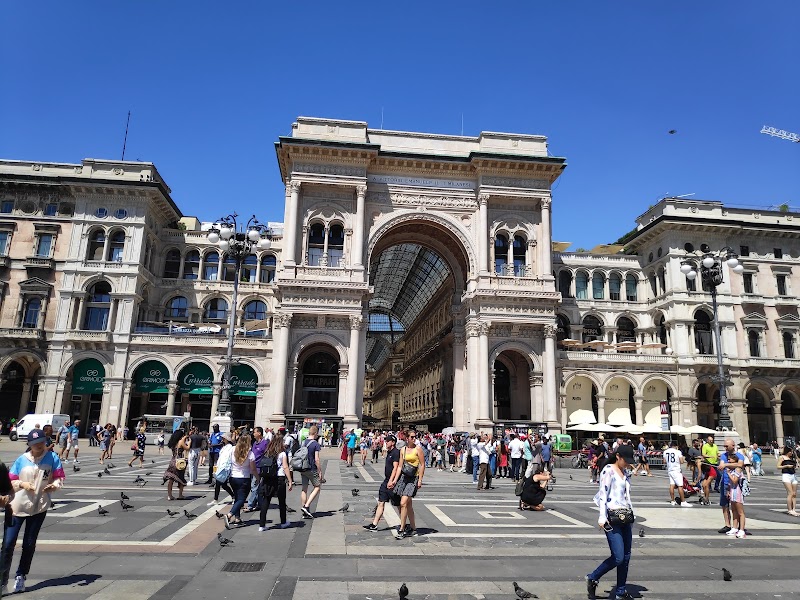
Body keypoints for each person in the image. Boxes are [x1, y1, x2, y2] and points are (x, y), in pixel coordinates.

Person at [2, 429, 65, 594]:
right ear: (29, 444)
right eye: (35, 443)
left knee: (29, 543)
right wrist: (22, 484)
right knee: (8, 544)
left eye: (42, 442)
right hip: (16, 506)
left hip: (39, 506)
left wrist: (54, 486)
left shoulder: (53, 458)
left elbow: (59, 477)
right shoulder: (22, 460)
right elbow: (11, 480)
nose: (39, 445)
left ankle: (21, 576)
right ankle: (2, 581)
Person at [586, 444, 636, 600]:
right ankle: (593, 577)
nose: (627, 463)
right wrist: (602, 516)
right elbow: (603, 493)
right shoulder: (608, 470)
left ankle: (620, 591)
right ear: (618, 456)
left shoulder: (625, 472)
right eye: (625, 460)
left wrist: (631, 513)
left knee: (626, 556)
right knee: (618, 556)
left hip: (625, 516)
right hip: (611, 517)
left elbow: (626, 495)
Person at [390, 430, 425, 539]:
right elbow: (400, 466)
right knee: (408, 505)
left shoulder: (418, 449)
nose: (414, 439)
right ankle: (413, 528)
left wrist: (420, 479)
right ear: (407, 438)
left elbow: (422, 465)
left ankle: (402, 528)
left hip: (413, 478)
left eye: (415, 437)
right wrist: (395, 480)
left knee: (403, 502)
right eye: (412, 437)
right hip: (404, 478)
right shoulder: (403, 450)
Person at [257, 433, 293, 531]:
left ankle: (262, 525)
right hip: (279, 478)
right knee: (281, 501)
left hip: (268, 478)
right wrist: (290, 480)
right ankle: (283, 522)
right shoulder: (282, 453)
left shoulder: (267, 452)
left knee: (266, 500)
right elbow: (285, 467)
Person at [224, 434, 256, 529]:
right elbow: (253, 469)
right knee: (242, 499)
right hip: (244, 478)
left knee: (237, 498)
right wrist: (257, 478)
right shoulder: (250, 453)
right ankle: (229, 515)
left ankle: (237, 518)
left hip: (233, 477)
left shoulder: (233, 449)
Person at [716, 438, 744, 535]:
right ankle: (728, 525)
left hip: (736, 484)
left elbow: (740, 464)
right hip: (725, 482)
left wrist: (727, 465)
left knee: (736, 506)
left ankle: (738, 526)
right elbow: (722, 464)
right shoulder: (724, 455)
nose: (725, 448)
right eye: (724, 446)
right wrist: (725, 465)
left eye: (727, 446)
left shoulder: (739, 455)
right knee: (724, 504)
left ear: (733, 445)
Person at [299, 425, 324, 519]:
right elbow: (317, 459)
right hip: (311, 468)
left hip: (303, 468)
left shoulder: (303, 442)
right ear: (316, 433)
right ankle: (306, 506)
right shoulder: (315, 444)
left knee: (304, 489)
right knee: (317, 487)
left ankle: (305, 511)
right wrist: (320, 471)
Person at [244, 427, 268, 513]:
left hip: (259, 468)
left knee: (254, 486)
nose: (253, 434)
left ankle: (250, 505)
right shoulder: (255, 443)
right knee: (256, 486)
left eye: (254, 432)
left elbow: (266, 455)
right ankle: (259, 504)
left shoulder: (265, 443)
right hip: (252, 467)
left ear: (259, 433)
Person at [208, 433, 235, 506]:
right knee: (222, 484)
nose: (222, 439)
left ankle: (217, 499)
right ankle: (217, 499)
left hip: (225, 468)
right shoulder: (224, 447)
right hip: (220, 467)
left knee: (221, 484)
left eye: (223, 438)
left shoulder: (231, 448)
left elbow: (228, 458)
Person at [663, 440, 691, 507]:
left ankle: (672, 501)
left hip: (670, 470)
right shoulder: (678, 452)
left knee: (671, 485)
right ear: (676, 446)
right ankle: (683, 501)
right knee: (680, 486)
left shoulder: (665, 452)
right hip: (676, 470)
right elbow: (681, 461)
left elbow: (664, 461)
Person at [163, 429, 190, 501]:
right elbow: (187, 448)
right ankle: (180, 495)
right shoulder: (181, 442)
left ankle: (169, 495)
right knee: (181, 478)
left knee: (171, 479)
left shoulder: (173, 442)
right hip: (179, 461)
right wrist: (189, 442)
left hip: (173, 461)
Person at [726, 459, 747, 538]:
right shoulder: (732, 470)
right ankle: (734, 528)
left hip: (738, 492)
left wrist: (728, 473)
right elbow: (730, 483)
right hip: (732, 492)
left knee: (740, 512)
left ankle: (741, 529)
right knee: (734, 511)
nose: (729, 463)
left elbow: (734, 480)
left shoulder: (738, 469)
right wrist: (728, 491)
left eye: (730, 462)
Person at [777, 446, 798, 516]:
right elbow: (778, 466)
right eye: (790, 452)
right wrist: (786, 466)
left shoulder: (792, 458)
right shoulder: (782, 457)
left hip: (793, 475)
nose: (791, 453)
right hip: (786, 475)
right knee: (790, 493)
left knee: (794, 494)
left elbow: (797, 464)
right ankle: (790, 509)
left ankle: (794, 509)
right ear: (787, 451)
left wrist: (796, 466)